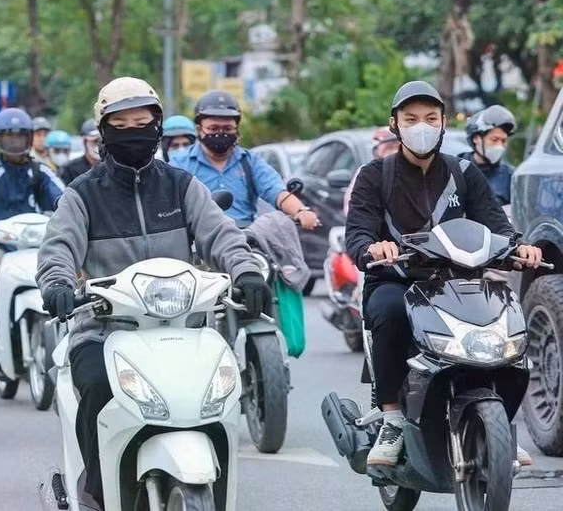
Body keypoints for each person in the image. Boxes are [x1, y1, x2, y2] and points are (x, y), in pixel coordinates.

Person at [36, 76, 270, 510]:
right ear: (104, 132)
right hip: (103, 329)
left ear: (158, 125)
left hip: (185, 326)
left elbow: (223, 236)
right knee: (95, 386)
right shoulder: (82, 195)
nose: (133, 132)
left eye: (141, 122)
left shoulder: (182, 186)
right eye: (121, 124)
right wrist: (57, 284)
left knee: (216, 391)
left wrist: (247, 273)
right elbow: (58, 249)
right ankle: (97, 492)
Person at [344, 81, 542, 467]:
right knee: (391, 313)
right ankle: (392, 419)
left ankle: (500, 423)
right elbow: (359, 232)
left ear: (444, 123)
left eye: (431, 118)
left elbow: (496, 223)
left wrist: (518, 248)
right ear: (395, 124)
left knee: (505, 319)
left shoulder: (463, 172)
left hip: (458, 280)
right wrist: (373, 248)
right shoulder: (375, 175)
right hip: (396, 280)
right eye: (411, 118)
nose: (422, 126)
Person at [0, 108, 64, 333]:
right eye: (8, 136)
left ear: (29, 137)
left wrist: (69, 215)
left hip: (35, 243)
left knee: (61, 265)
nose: (15, 142)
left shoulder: (41, 171)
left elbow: (64, 198)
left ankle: (65, 319)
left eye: (20, 136)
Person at [169, 90, 318, 230]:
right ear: (199, 129)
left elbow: (275, 190)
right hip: (197, 242)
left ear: (237, 129)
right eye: (213, 129)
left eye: (227, 129)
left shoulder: (250, 162)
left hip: (245, 241)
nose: (221, 133)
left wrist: (300, 211)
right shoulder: (180, 164)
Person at [462, 105, 516, 206]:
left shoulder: (510, 177)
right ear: (476, 139)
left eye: (503, 141)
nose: (499, 145)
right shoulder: (455, 169)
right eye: (494, 139)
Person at [343, 127, 401, 215]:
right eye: (389, 147)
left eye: (396, 146)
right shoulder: (367, 173)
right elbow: (352, 210)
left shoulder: (417, 171)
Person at [59, 118, 100, 185]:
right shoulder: (69, 169)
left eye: (102, 141)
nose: (99, 145)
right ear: (84, 142)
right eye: (95, 141)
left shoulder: (112, 167)